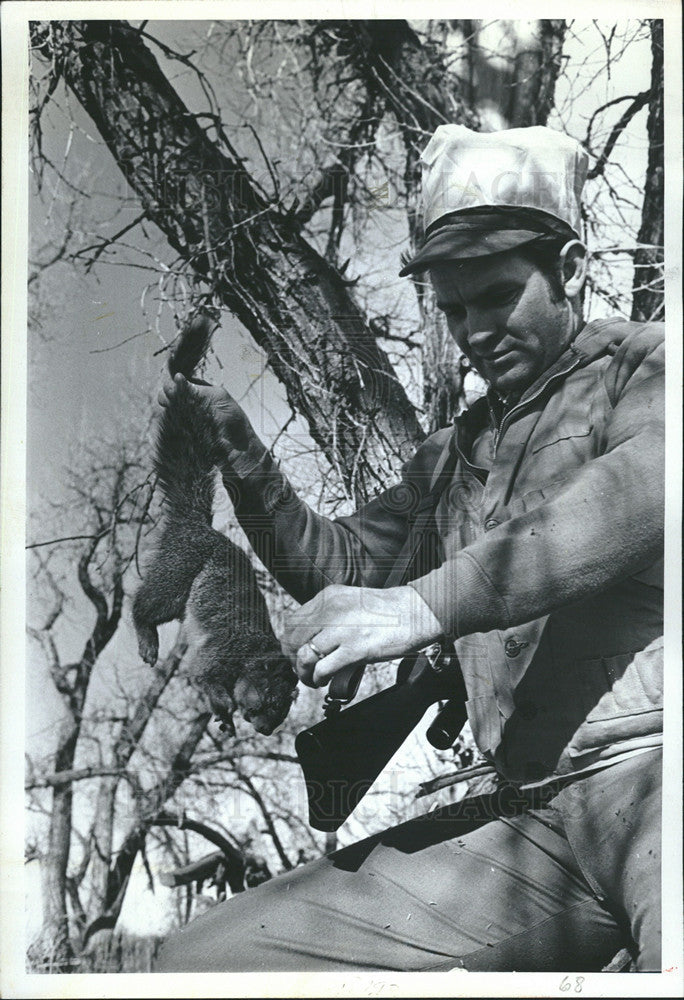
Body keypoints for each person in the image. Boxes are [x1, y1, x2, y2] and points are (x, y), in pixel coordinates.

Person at [155, 125, 663, 972]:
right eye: (454, 309)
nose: (473, 331)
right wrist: (239, 454)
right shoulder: (456, 452)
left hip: (655, 779)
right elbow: (348, 568)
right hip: (527, 820)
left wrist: (420, 607)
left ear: (571, 269)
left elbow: (632, 498)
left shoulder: (645, 366)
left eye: (497, 296)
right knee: (201, 964)